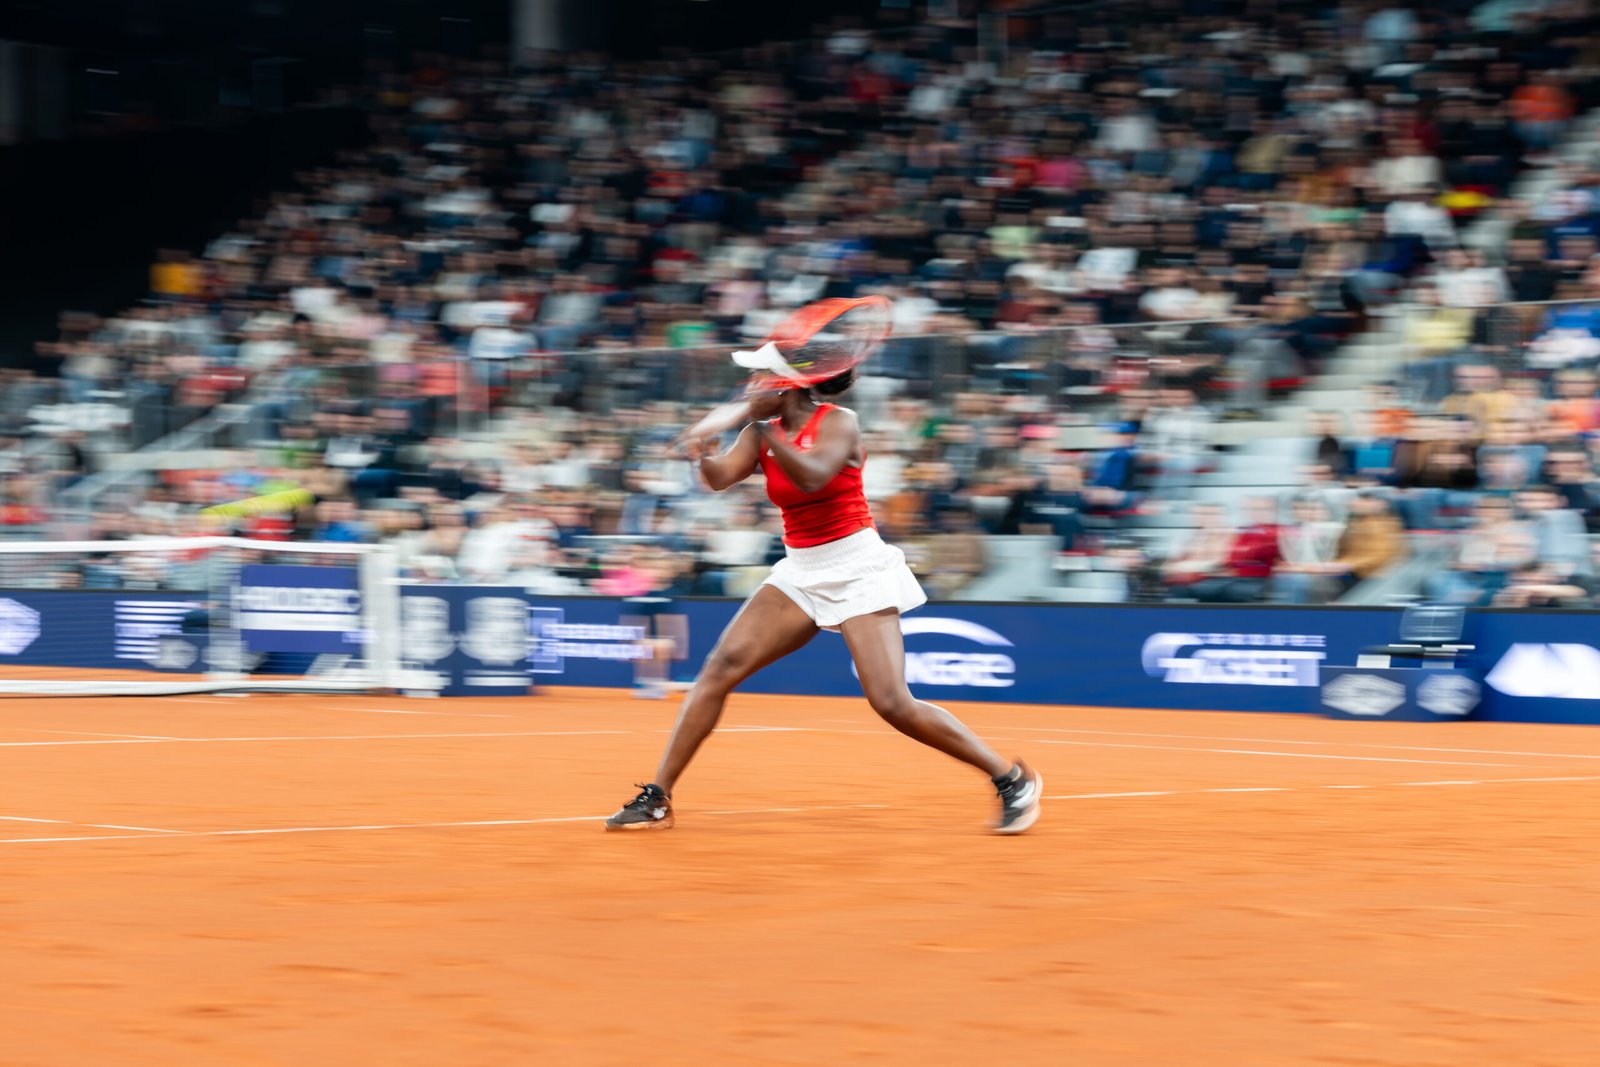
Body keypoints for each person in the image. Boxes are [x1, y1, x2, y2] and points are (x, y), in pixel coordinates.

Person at [605, 364, 1041, 835]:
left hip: (857, 566)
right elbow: (718, 479)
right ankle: (659, 797)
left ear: (787, 386)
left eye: (758, 380)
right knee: (719, 669)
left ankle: (1012, 779)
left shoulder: (838, 421)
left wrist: (768, 439)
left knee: (892, 702)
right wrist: (701, 453)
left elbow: (813, 476)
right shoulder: (757, 432)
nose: (749, 390)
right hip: (801, 568)